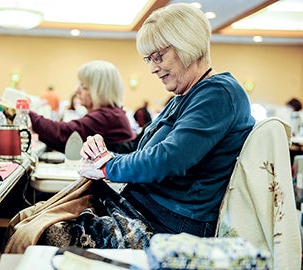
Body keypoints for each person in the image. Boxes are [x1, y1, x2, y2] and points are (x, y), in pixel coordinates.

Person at [79, 3, 255, 237]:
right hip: (149, 213)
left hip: (171, 225)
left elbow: (170, 158)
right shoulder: (185, 96)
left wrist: (107, 166)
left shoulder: (218, 94)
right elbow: (141, 147)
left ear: (187, 46)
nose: (152, 68)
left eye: (159, 56)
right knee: (42, 220)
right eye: (148, 59)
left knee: (48, 231)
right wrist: (101, 152)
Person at [29, 60, 136, 153]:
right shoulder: (113, 114)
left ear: (100, 92)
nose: (76, 91)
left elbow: (63, 134)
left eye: (84, 87)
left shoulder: (106, 117)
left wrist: (24, 113)